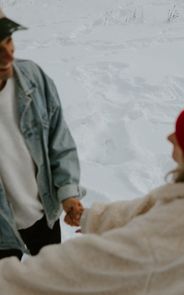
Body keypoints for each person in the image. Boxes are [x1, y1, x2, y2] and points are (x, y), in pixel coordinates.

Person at [0, 96, 184, 295]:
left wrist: (10, 280)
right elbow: (148, 208)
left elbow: (90, 264)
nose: (170, 137)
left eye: (183, 137)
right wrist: (91, 217)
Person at [0, 8, 85, 260]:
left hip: (42, 216)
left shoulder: (33, 78)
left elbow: (59, 140)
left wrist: (68, 192)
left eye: (8, 40)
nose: (8, 56)